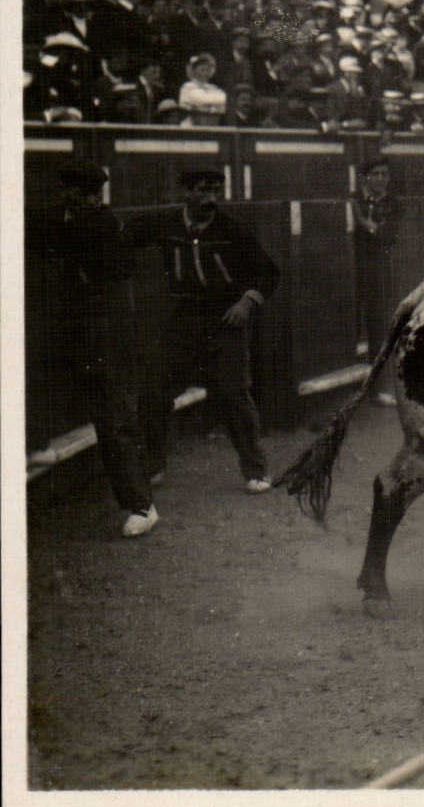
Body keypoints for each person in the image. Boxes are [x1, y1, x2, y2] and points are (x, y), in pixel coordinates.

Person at [129, 167, 279, 494]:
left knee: (233, 392)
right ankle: (153, 464)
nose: (210, 198)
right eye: (203, 191)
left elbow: (268, 273)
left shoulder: (232, 230)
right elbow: (124, 235)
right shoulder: (167, 224)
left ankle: (256, 469)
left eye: (215, 191)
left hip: (225, 318)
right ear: (186, 193)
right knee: (155, 388)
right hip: (185, 318)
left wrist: (246, 303)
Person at [31, 160, 157, 536]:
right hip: (77, 326)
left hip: (106, 326)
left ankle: (141, 504)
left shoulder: (103, 225)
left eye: (92, 194)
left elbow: (70, 242)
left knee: (115, 413)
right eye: (79, 193)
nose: (89, 200)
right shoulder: (64, 217)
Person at [350, 160, 404, 360]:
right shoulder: (353, 200)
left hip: (378, 268)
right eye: (376, 174)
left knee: (377, 317)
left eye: (385, 174)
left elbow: (388, 235)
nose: (382, 179)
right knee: (352, 313)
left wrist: (362, 222)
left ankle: (376, 363)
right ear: (364, 178)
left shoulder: (393, 203)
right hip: (353, 267)